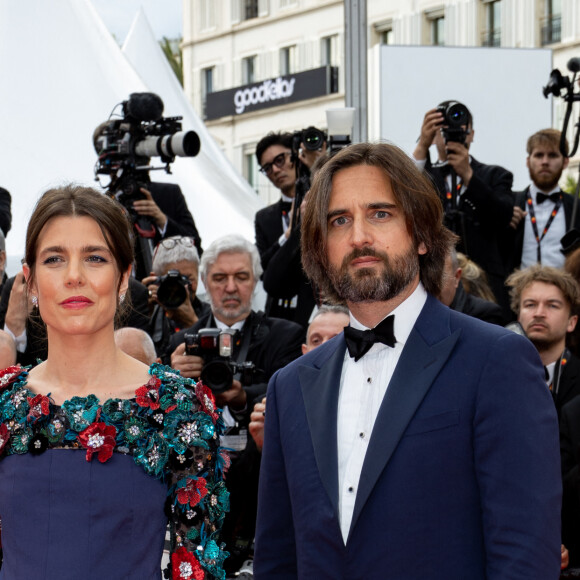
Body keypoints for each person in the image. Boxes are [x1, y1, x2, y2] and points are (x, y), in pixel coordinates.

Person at [255, 142, 562, 579]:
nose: (359, 235)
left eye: (380, 214)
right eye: (339, 220)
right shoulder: (290, 386)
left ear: (420, 235)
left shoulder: (497, 361)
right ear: (321, 248)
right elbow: (278, 559)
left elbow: (524, 555)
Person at [0, 185, 229, 578]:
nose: (74, 277)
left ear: (124, 277)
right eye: (54, 259)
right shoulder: (5, 403)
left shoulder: (179, 408)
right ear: (31, 281)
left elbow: (197, 565)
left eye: (94, 258)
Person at [168, 233, 304, 574]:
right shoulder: (180, 344)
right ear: (203, 282)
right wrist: (172, 379)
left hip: (259, 486)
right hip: (195, 488)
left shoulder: (285, 334)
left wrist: (242, 396)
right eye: (220, 278)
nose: (230, 287)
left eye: (241, 277)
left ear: (255, 281)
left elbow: (287, 393)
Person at [413, 101, 514, 313]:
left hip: (485, 285)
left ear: (471, 134)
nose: (450, 134)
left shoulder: (495, 175)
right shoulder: (425, 177)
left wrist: (469, 175)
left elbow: (503, 217)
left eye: (459, 127)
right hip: (438, 284)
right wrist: (422, 146)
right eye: (442, 130)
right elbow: (405, 195)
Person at [249, 304, 350, 453]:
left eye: (336, 340)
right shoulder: (276, 403)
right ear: (305, 351)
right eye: (316, 340)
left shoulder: (373, 395)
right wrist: (264, 445)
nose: (325, 347)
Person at [254, 132, 325, 325]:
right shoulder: (264, 217)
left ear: (296, 155)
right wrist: (287, 236)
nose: (276, 170)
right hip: (279, 314)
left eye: (280, 159)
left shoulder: (326, 198)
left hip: (318, 308)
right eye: (267, 168)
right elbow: (261, 266)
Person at [506, 264, 580, 417]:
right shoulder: (500, 374)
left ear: (571, 322)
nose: (539, 313)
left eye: (552, 305)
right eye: (530, 304)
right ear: (519, 317)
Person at [506, 129, 578, 272]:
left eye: (552, 155)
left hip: (566, 290)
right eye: (539, 155)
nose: (545, 162)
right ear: (528, 161)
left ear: (565, 162)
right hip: (517, 291)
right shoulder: (509, 204)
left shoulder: (577, 208)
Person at [142, 235, 210, 359]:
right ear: (154, 279)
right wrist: (142, 311)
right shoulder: (147, 312)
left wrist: (192, 323)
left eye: (187, 279)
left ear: (199, 277)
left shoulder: (213, 316)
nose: (181, 287)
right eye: (172, 281)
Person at [439, 247, 505, 325]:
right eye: (425, 276)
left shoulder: (484, 315)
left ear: (456, 277)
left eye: (439, 276)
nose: (430, 285)